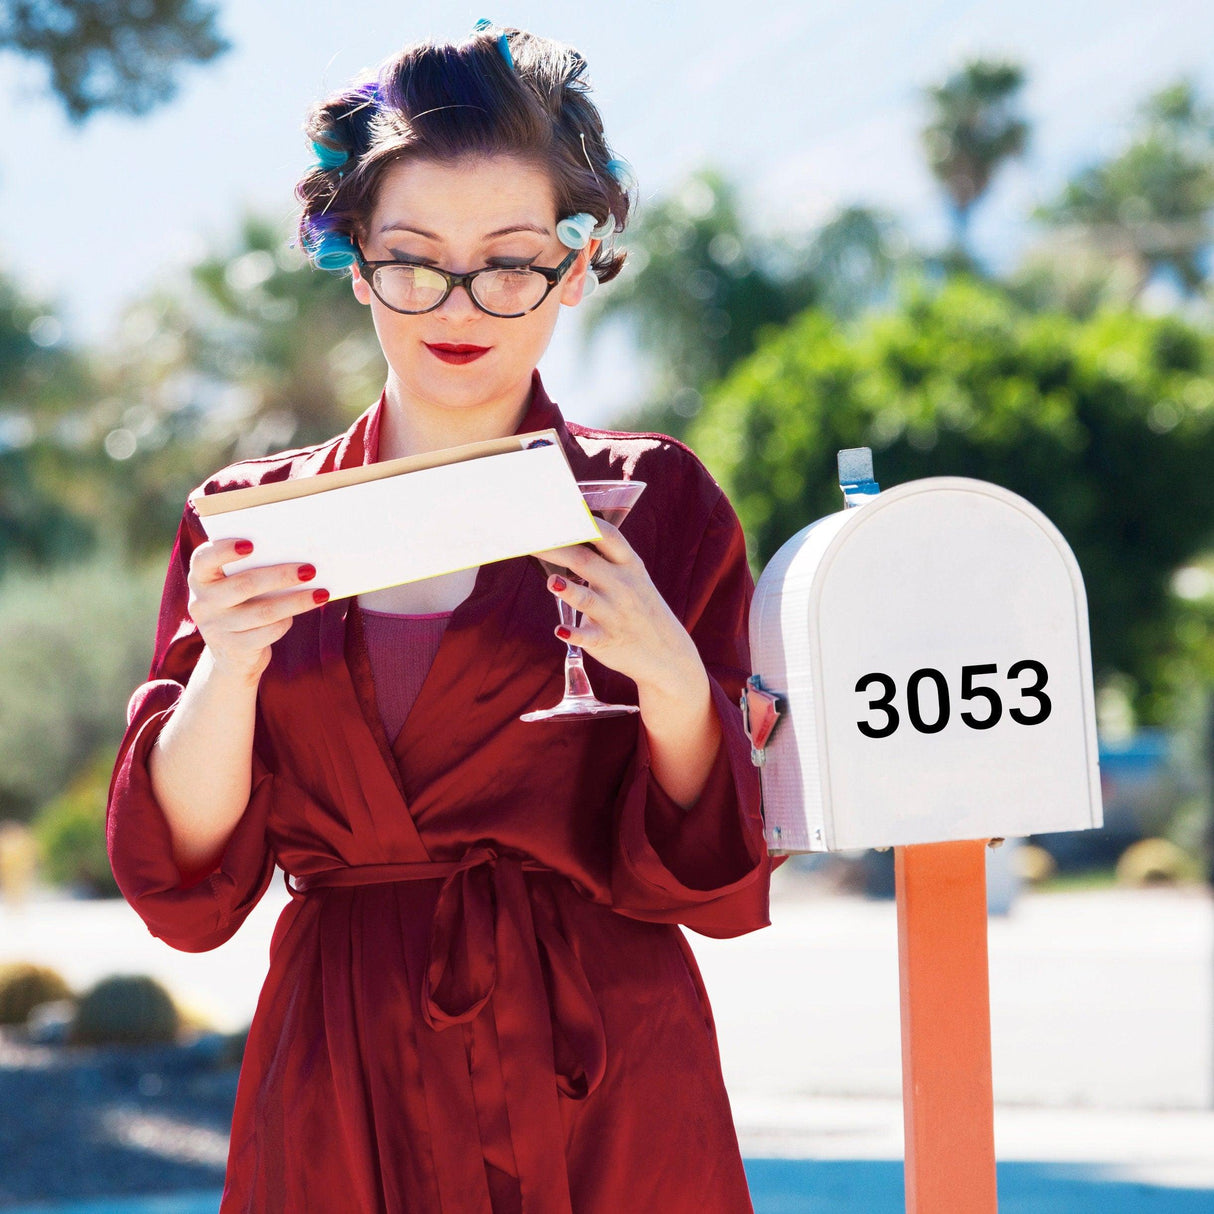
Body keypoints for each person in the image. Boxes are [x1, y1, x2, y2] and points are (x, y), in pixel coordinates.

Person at [107, 22, 784, 1214]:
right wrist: (230, 661)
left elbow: (716, 871)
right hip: (340, 1068)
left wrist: (674, 681)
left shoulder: (653, 498)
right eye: (413, 258)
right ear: (354, 259)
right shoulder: (244, 519)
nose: (457, 303)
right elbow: (191, 880)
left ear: (577, 266)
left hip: (606, 1068)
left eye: (511, 261)